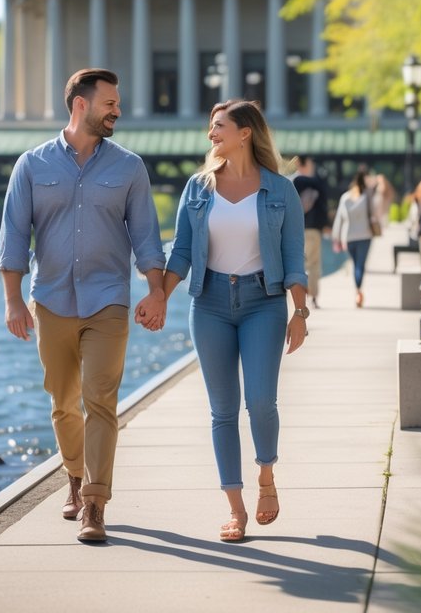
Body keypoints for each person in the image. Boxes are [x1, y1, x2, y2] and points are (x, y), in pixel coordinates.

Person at [0, 68, 168, 543]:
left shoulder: (129, 168)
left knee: (100, 399)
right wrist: (13, 301)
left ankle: (94, 503)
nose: (118, 110)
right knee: (63, 401)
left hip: (108, 300)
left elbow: (147, 239)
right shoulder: (31, 165)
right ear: (80, 105)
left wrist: (156, 291)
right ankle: (73, 477)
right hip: (50, 300)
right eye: (110, 103)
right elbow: (13, 237)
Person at [162, 100, 308, 543]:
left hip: (263, 301)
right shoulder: (198, 188)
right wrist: (158, 296)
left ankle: (266, 476)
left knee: (261, 401)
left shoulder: (280, 190)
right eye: (211, 127)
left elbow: (294, 258)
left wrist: (299, 311)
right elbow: (182, 251)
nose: (211, 134)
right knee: (222, 411)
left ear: (245, 132)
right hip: (208, 304)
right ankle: (235, 510)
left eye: (219, 126)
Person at [333, 170, 378, 308]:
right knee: (360, 265)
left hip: (349, 237)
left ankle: (357, 291)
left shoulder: (345, 198)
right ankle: (358, 291)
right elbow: (374, 214)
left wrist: (337, 237)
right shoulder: (367, 196)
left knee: (355, 265)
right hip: (364, 235)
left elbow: (339, 219)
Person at [292, 155, 330, 309]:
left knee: (298, 263)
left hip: (296, 229)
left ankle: (298, 297)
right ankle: (313, 297)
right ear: (307, 164)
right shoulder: (316, 183)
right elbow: (323, 206)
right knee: (313, 263)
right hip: (313, 228)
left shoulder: (292, 182)